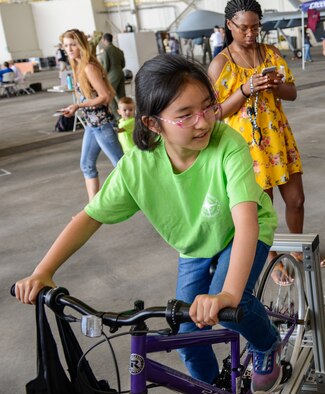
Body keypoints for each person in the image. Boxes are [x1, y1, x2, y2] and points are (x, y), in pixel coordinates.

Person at [14, 54, 283, 393]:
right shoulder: (136, 167)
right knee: (186, 337)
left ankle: (267, 343)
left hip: (240, 231)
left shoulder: (227, 144)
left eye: (208, 106)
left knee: (235, 299)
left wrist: (228, 292)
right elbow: (88, 217)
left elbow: (245, 224)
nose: (203, 122)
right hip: (195, 244)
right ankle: (211, 387)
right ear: (154, 124)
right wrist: (43, 271)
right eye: (185, 115)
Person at [209, 0, 325, 269]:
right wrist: (244, 90)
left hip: (278, 138)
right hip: (247, 147)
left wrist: (275, 86)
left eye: (256, 27)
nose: (251, 34)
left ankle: (298, 249)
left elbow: (293, 93)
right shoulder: (221, 64)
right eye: (244, 28)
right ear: (230, 25)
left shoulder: (271, 53)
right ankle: (272, 259)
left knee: (297, 199)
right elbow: (213, 112)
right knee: (264, 211)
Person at [60, 29, 123, 200]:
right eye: (66, 46)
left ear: (81, 45)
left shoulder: (89, 67)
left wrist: (78, 105)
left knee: (122, 165)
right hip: (92, 125)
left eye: (73, 44)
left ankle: (143, 195)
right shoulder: (79, 67)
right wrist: (76, 107)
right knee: (86, 165)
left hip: (102, 124)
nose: (69, 49)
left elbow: (105, 96)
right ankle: (93, 206)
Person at [98, 33, 126, 114]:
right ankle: (125, 115)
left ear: (104, 40)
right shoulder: (119, 50)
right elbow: (123, 64)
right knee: (122, 97)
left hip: (111, 75)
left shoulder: (105, 50)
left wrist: (102, 77)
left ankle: (117, 116)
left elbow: (106, 66)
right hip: (120, 73)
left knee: (109, 95)